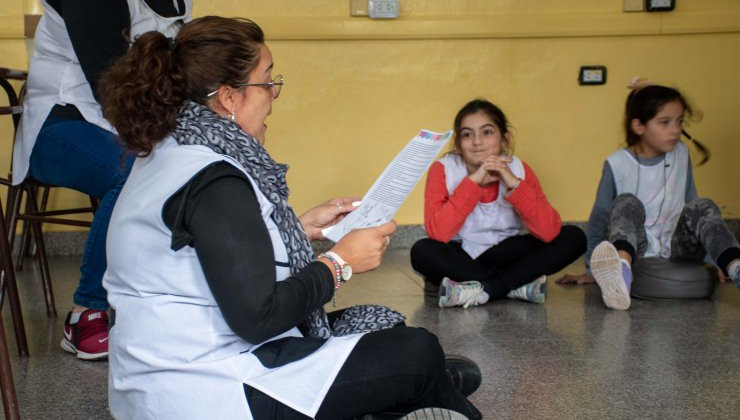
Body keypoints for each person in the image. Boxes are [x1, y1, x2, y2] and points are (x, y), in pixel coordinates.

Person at [98, 16, 483, 420]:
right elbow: (258, 318)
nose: (274, 94)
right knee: (416, 351)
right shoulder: (215, 179)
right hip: (206, 391)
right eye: (267, 81)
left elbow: (205, 255)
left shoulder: (174, 150)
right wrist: (340, 263)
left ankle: (415, 394)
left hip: (156, 381)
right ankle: (427, 388)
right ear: (230, 98)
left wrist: (297, 229)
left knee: (389, 339)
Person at [13, 0, 193, 360]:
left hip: (123, 127)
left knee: (195, 164)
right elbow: (109, 83)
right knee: (132, 172)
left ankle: (167, 300)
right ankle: (86, 313)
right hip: (60, 124)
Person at [560, 81, 740, 310]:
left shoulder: (681, 153)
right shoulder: (617, 163)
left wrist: (711, 263)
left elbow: (693, 207)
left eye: (679, 121)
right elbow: (600, 216)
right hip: (638, 247)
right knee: (626, 202)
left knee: (702, 205)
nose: (675, 129)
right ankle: (621, 273)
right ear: (639, 126)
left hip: (679, 245)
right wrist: (590, 270)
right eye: (665, 123)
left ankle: (735, 266)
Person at [409, 99, 586, 309]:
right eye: (467, 134)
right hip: (461, 254)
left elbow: (548, 231)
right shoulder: (443, 169)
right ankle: (515, 285)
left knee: (574, 237)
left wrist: (512, 182)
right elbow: (438, 232)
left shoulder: (519, 169)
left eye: (487, 132)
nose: (477, 142)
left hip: (505, 252)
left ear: (504, 138)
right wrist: (474, 182)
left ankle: (484, 289)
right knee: (422, 251)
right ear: (458, 144)